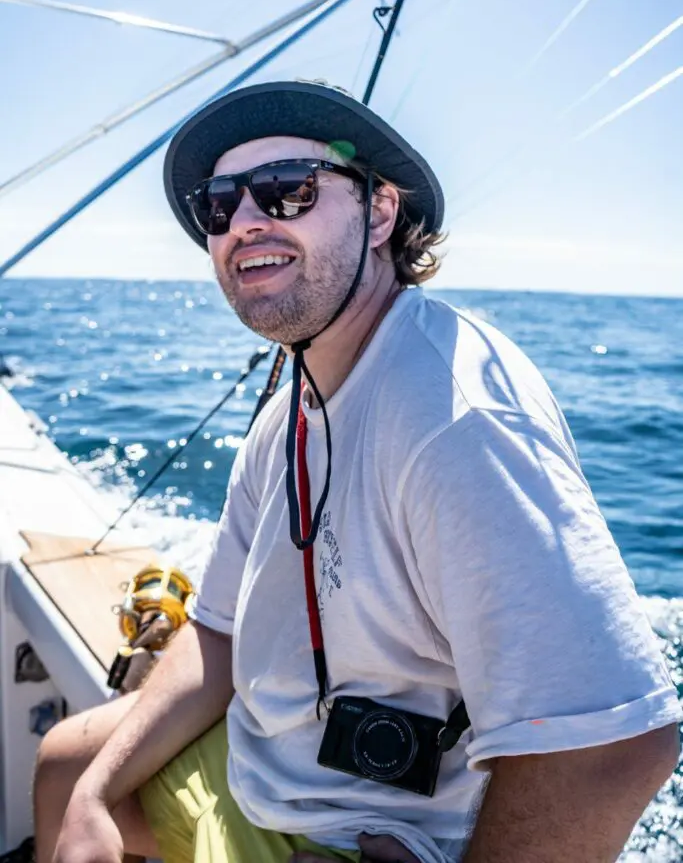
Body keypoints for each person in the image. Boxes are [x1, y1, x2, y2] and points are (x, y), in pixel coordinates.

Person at [35, 80, 681, 863]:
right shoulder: (285, 415)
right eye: (219, 206)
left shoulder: (455, 416)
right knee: (66, 767)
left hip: (384, 835)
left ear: (379, 214)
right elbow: (217, 631)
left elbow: (612, 749)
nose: (243, 223)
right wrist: (98, 794)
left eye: (286, 190)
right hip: (266, 769)